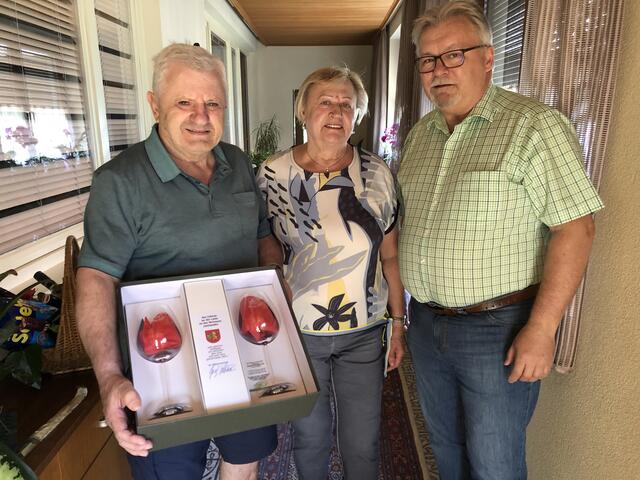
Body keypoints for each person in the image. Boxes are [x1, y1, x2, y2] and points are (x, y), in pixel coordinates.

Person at [397, 2, 604, 479]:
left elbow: (576, 227)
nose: (437, 70)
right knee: (446, 450)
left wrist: (543, 328)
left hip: (498, 331)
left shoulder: (534, 126)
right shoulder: (422, 136)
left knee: (494, 463)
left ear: (488, 58)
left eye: (453, 55)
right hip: (426, 321)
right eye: (428, 60)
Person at [76, 43, 280, 480]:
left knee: (243, 463)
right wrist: (109, 375)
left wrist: (275, 297)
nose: (200, 117)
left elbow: (263, 237)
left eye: (212, 103)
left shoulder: (239, 163)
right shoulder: (119, 182)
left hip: (242, 355)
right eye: (184, 102)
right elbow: (95, 278)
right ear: (155, 105)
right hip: (159, 368)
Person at [256, 66, 405, 479]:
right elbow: (261, 246)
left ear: (357, 116)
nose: (337, 111)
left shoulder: (377, 175)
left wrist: (397, 323)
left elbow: (390, 256)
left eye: (347, 104)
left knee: (362, 441)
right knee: (310, 435)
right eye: (326, 101)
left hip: (364, 331)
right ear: (304, 111)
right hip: (300, 332)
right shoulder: (270, 175)